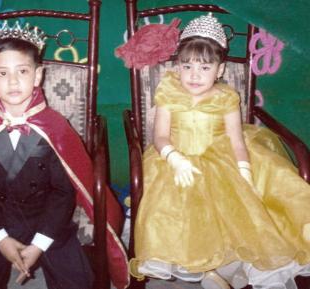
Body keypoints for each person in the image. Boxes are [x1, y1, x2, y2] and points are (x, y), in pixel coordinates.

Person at [0, 21, 129, 289]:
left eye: (23, 71)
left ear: (38, 76)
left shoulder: (56, 127)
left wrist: (40, 244)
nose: (13, 81)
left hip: (47, 219)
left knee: (76, 280)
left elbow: (64, 193)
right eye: (2, 74)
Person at [127, 13, 310, 289]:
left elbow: (237, 141)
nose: (194, 75)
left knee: (247, 203)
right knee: (178, 206)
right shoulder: (169, 92)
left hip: (220, 155)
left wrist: (245, 170)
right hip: (175, 159)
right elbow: (160, 136)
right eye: (187, 66)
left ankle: (232, 266)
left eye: (204, 67)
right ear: (177, 67)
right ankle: (208, 268)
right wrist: (174, 158)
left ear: (220, 70)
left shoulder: (226, 97)